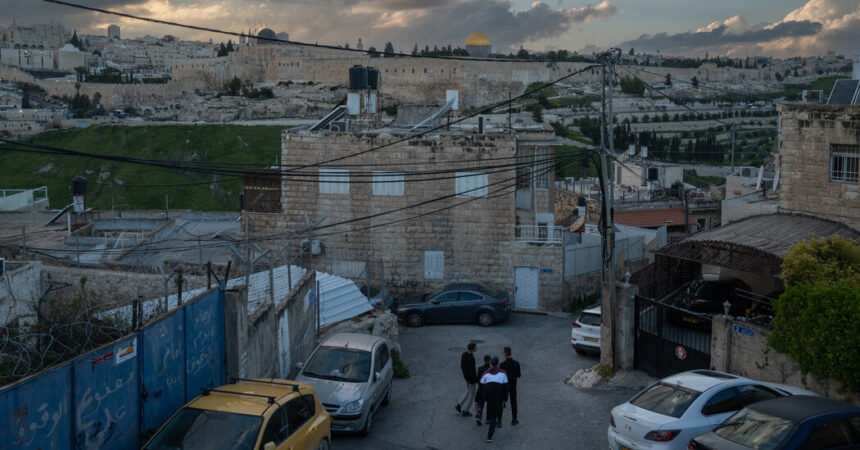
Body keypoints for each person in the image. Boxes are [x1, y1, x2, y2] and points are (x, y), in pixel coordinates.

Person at [479, 356, 508, 443]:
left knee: (488, 408)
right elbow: (506, 389)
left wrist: (477, 401)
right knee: (493, 417)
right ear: (498, 364)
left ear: (490, 364)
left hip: (487, 396)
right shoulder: (503, 374)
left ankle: (480, 411)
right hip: (497, 397)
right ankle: (489, 436)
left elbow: (480, 388)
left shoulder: (485, 374)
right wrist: (505, 400)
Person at [499, 346, 521, 425]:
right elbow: (519, 375)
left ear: (505, 353)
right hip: (513, 385)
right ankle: (514, 419)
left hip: (504, 385)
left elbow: (500, 376)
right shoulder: (516, 363)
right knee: (513, 402)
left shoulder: (502, 364)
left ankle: (499, 421)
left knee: (502, 401)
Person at [455, 342, 478, 416]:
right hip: (471, 379)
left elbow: (462, 366)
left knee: (468, 391)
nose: (476, 348)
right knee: (472, 394)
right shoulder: (471, 358)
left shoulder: (464, 354)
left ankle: (459, 405)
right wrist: (475, 379)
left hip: (466, 377)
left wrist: (465, 374)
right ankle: (466, 410)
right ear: (472, 349)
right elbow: (472, 371)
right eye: (475, 347)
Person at [474, 354, 491, 425]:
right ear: (490, 361)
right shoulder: (491, 369)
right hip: (489, 389)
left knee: (481, 403)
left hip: (482, 388)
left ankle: (479, 417)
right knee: (489, 404)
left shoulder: (480, 368)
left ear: (484, 360)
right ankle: (488, 419)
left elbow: (478, 379)